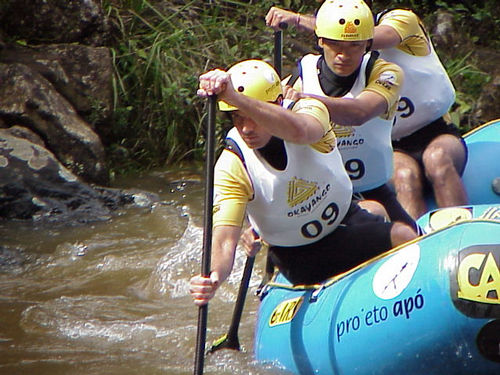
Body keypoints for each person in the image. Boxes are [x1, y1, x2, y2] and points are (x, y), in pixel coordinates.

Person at [189, 59, 417, 306]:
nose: (246, 128)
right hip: (298, 257)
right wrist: (214, 278)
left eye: (252, 115)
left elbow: (300, 132)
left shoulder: (309, 110)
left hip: (345, 222)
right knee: (382, 219)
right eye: (236, 117)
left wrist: (236, 98)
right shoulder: (231, 165)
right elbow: (224, 241)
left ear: (277, 104)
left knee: (400, 230)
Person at [266, 0, 468, 220]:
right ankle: (420, 245)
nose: (345, 52)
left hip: (436, 132)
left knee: (437, 159)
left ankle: (459, 230)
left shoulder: (402, 20)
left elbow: (368, 37)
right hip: (394, 147)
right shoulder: (312, 71)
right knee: (404, 175)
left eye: (354, 45)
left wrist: (296, 19)